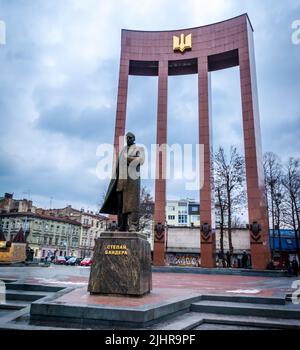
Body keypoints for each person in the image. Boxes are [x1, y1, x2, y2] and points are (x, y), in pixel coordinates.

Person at [100, 132, 145, 232]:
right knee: (121, 204)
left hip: (132, 180)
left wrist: (127, 159)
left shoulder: (139, 149)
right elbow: (118, 165)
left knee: (132, 204)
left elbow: (141, 161)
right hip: (121, 179)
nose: (128, 139)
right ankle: (122, 226)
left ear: (134, 139)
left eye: (130, 138)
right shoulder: (123, 150)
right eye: (127, 137)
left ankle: (133, 226)